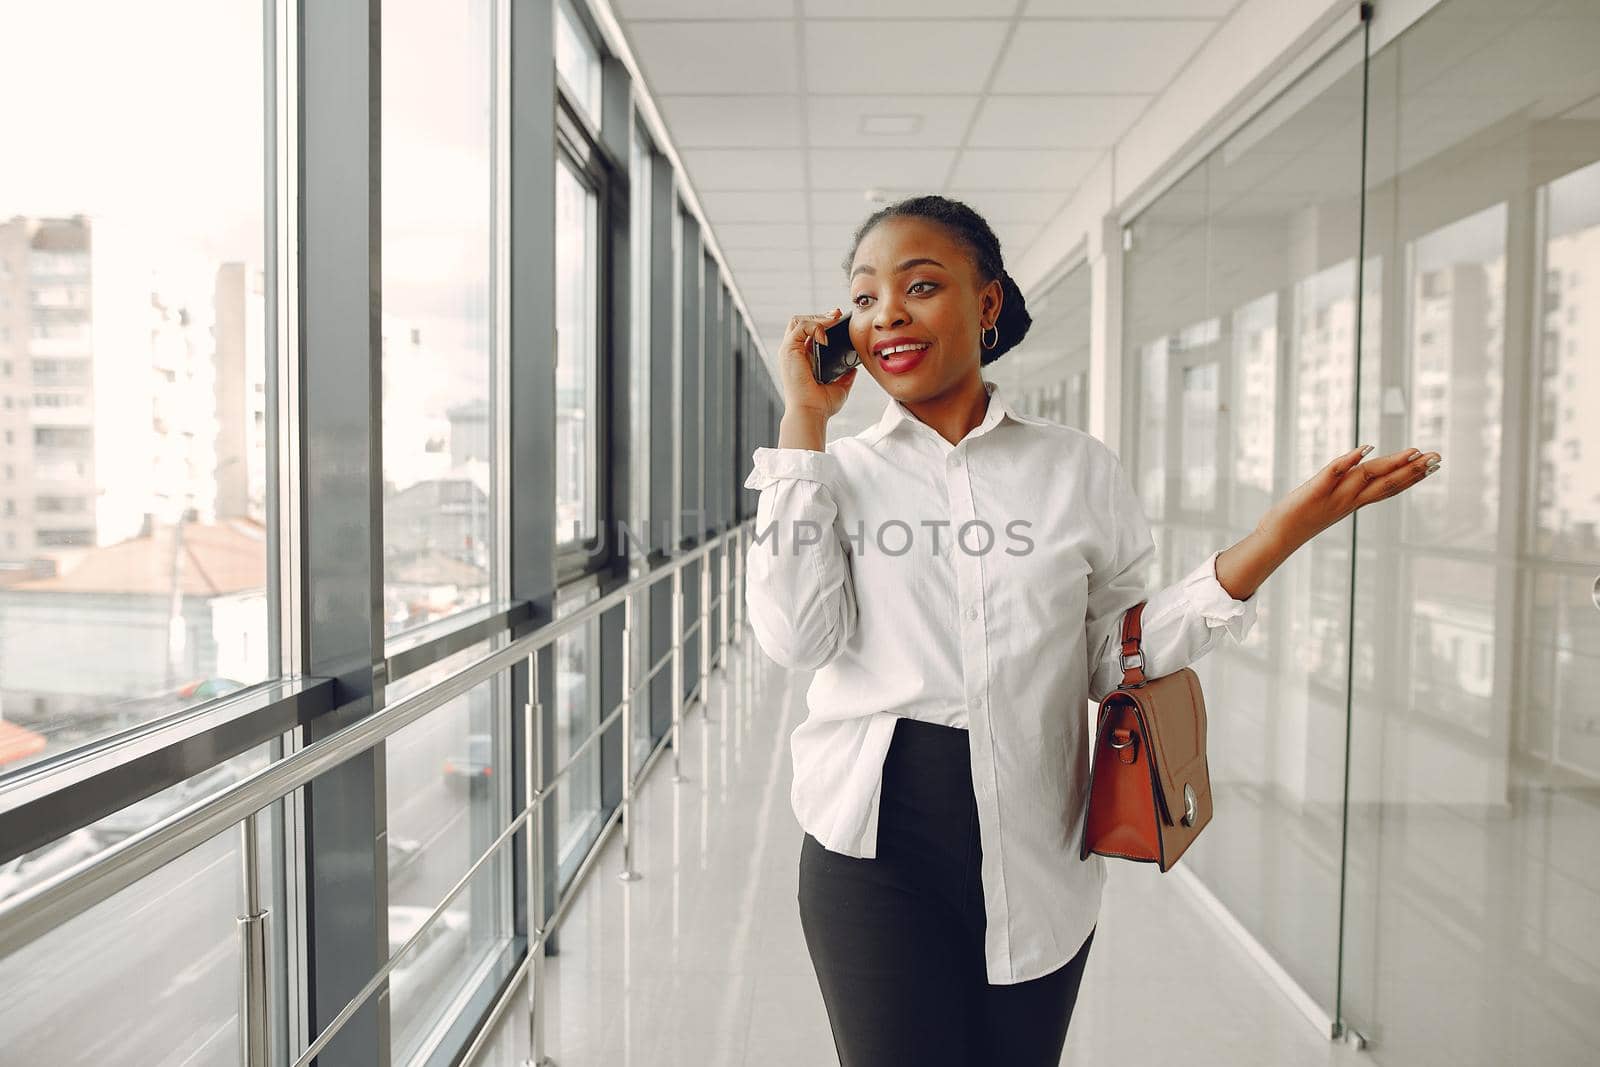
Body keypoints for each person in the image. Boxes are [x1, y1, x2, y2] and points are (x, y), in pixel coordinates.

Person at [741, 194, 1441, 1067]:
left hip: (1038, 839)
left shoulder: (1075, 468)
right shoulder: (830, 475)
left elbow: (1115, 653)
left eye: (920, 286)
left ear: (988, 302)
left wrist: (1273, 541)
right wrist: (803, 424)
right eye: (866, 296)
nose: (888, 314)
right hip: (873, 846)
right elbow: (794, 638)